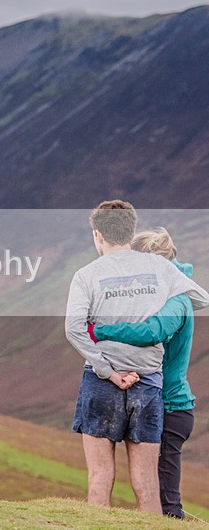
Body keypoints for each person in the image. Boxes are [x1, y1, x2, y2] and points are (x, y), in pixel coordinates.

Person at [64, 200, 209, 513]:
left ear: (97, 234)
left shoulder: (87, 274)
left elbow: (76, 328)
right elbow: (202, 297)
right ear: (130, 230)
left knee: (100, 475)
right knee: (146, 482)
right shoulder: (158, 271)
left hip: (105, 380)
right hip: (148, 383)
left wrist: (107, 362)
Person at [88, 228, 196, 519]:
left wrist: (98, 330)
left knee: (167, 506)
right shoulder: (156, 296)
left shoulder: (177, 300)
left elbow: (152, 332)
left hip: (171, 408)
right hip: (157, 402)